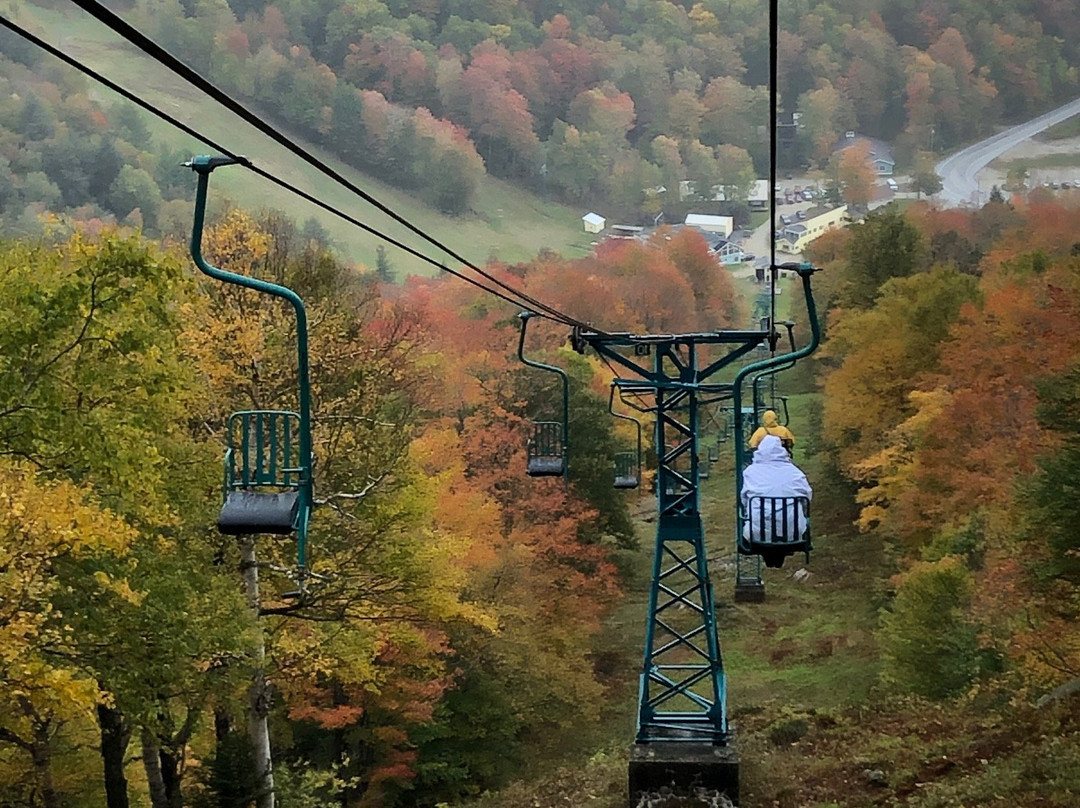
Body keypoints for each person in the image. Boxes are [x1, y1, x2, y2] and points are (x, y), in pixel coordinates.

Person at [741, 435, 812, 568]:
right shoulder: (794, 472)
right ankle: (779, 550)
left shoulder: (751, 472)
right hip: (793, 532)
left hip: (756, 533)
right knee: (786, 524)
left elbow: (744, 500)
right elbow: (807, 497)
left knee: (759, 525)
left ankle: (770, 552)